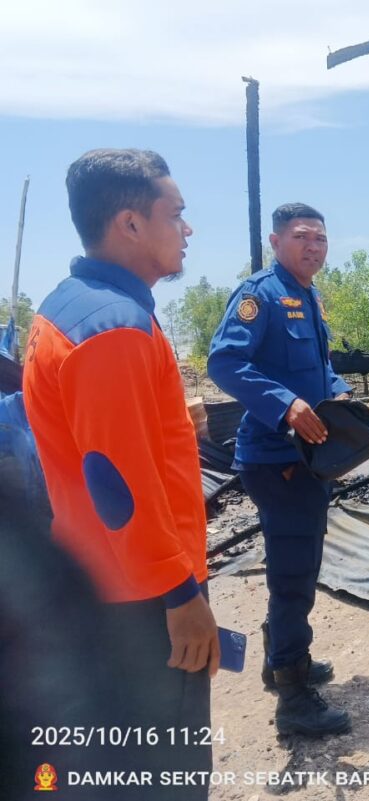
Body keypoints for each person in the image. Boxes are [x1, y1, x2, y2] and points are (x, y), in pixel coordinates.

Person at [21, 149, 217, 797]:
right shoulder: (114, 329)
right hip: (144, 598)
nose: (187, 229)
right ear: (130, 224)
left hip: (108, 585)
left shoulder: (76, 307)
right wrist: (181, 597)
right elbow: (119, 487)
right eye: (177, 213)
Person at [207, 203, 351, 736]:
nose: (313, 246)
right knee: (293, 575)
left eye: (320, 237)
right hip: (276, 458)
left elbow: (321, 366)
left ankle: (280, 658)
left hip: (309, 457)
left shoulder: (308, 296)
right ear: (276, 241)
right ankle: (294, 700)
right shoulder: (260, 295)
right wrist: (286, 404)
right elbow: (224, 361)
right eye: (302, 237)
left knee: (300, 562)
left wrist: (338, 393)